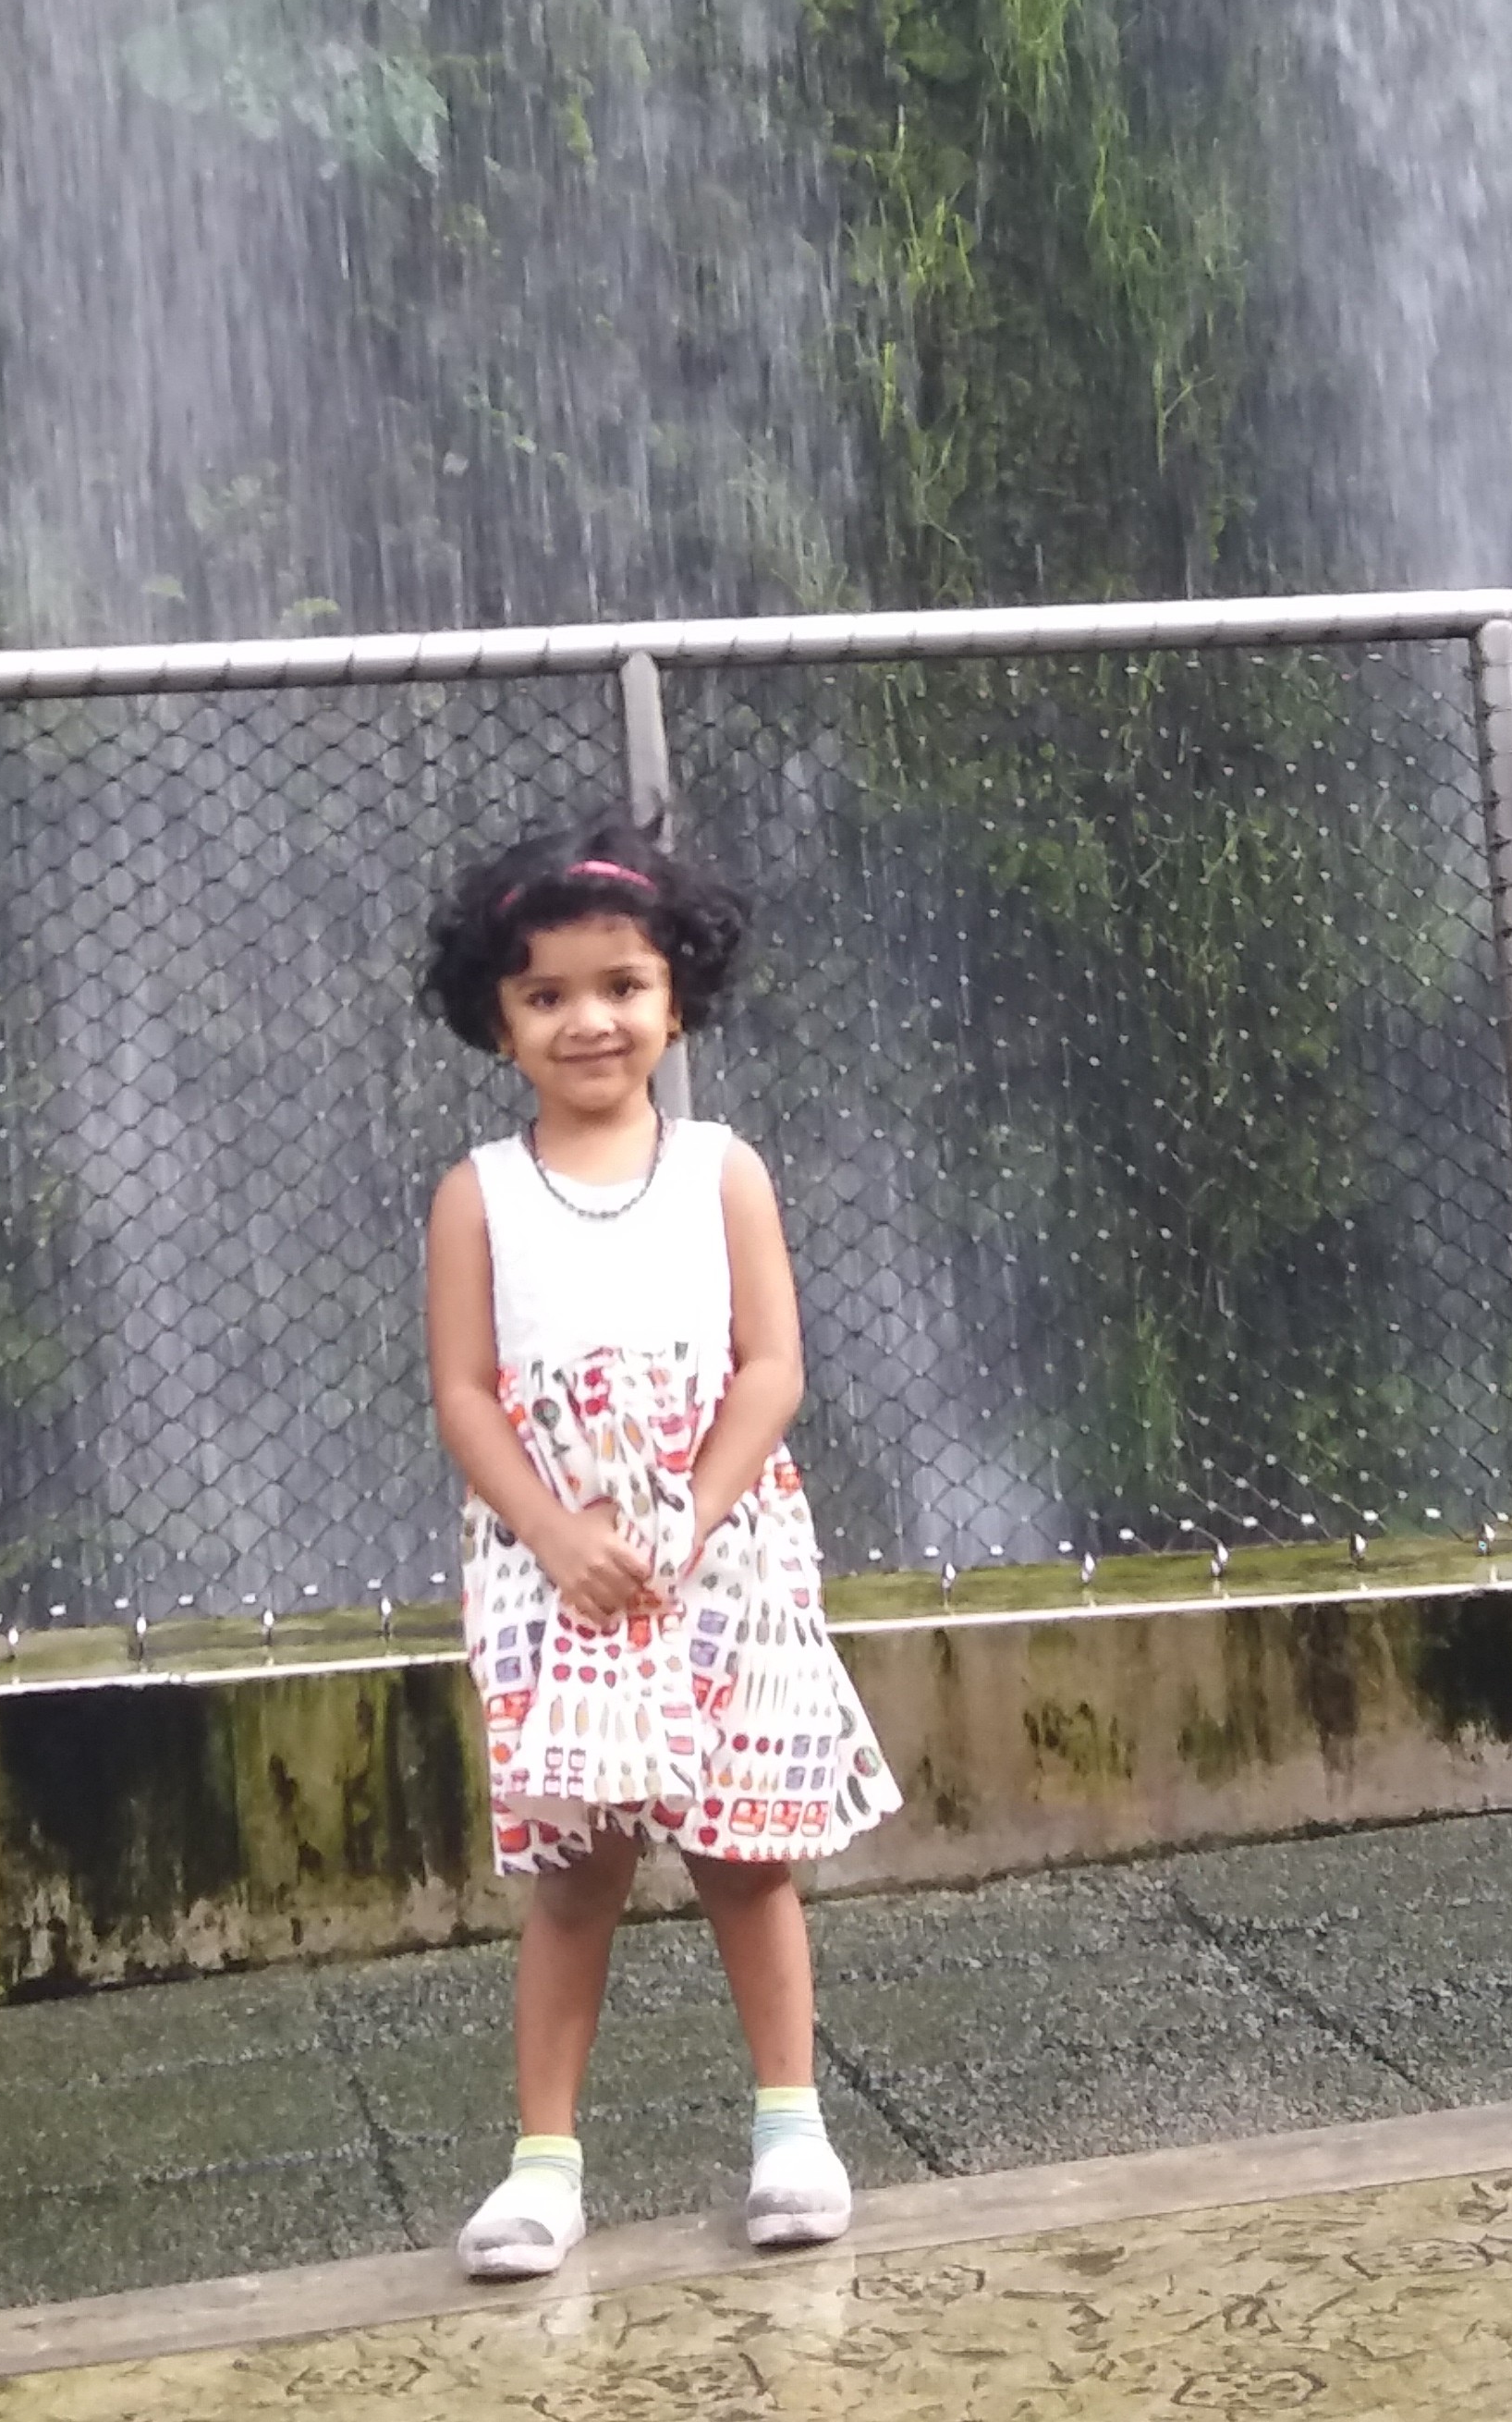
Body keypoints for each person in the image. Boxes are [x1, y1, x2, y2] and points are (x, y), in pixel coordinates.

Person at [419, 809, 900, 2280]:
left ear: (675, 998)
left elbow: (772, 1368)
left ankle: (792, 2130)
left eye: (622, 986)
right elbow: (465, 1393)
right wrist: (555, 1533)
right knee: (578, 1871)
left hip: (723, 1550)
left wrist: (690, 1512)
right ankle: (543, 2165)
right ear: (499, 1021)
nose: (590, 1020)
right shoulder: (478, 1195)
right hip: (555, 1572)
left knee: (745, 1852)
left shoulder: (720, 1170)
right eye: (547, 994)